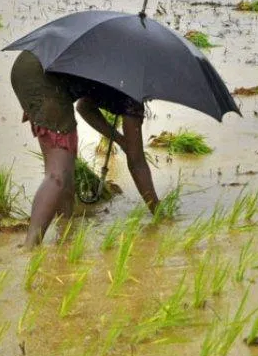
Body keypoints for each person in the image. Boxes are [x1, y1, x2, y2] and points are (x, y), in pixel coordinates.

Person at [10, 50, 159, 247]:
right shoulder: (133, 93)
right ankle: (30, 246)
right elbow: (137, 161)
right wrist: (158, 213)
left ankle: (65, 233)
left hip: (28, 65)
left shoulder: (119, 66)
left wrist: (120, 140)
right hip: (44, 78)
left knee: (66, 172)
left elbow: (84, 107)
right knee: (58, 174)